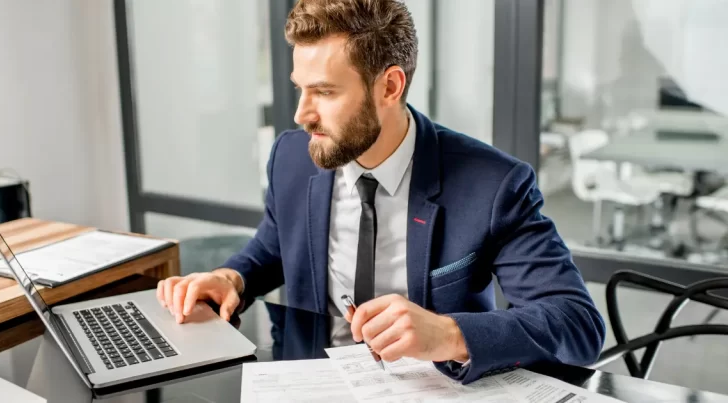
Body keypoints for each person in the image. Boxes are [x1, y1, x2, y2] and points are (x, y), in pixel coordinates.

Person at [157, 0, 605, 383]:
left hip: (429, 388)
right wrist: (231, 277)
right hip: (310, 382)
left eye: (325, 92)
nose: (301, 115)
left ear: (390, 86)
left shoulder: (492, 184)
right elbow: (274, 246)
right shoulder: (293, 158)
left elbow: (577, 323)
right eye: (300, 89)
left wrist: (449, 334)